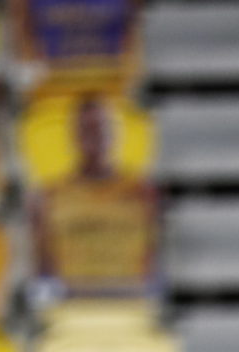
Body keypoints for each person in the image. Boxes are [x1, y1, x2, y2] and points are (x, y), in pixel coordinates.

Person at [29, 91, 156, 300]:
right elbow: (42, 267)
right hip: (72, 302)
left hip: (130, 299)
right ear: (74, 136)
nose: (95, 137)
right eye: (87, 130)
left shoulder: (143, 193)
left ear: (117, 134)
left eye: (102, 129)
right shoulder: (48, 197)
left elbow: (155, 258)